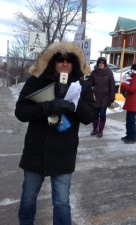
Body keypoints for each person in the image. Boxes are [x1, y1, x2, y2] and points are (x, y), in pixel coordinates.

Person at [15, 41, 98, 225]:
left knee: (61, 202)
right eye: (60, 59)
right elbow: (20, 112)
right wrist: (47, 106)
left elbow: (90, 117)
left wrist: (74, 103)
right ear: (53, 61)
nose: (65, 63)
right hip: (36, 152)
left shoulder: (81, 86)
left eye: (70, 60)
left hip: (63, 154)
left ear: (75, 64)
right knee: (28, 199)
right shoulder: (36, 82)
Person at [88, 57, 116, 138]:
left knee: (102, 115)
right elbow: (89, 83)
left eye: (103, 63)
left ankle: (100, 130)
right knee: (95, 115)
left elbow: (112, 86)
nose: (101, 64)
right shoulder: (94, 73)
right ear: (98, 64)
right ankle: (95, 129)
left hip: (105, 98)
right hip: (95, 98)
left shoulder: (109, 73)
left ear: (105, 64)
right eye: (100, 63)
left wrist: (112, 98)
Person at [120, 63, 136, 144]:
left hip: (133, 103)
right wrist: (128, 81)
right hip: (133, 103)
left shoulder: (135, 78)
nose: (131, 71)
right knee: (129, 120)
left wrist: (123, 83)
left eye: (132, 69)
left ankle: (132, 138)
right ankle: (129, 135)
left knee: (131, 121)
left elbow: (132, 89)